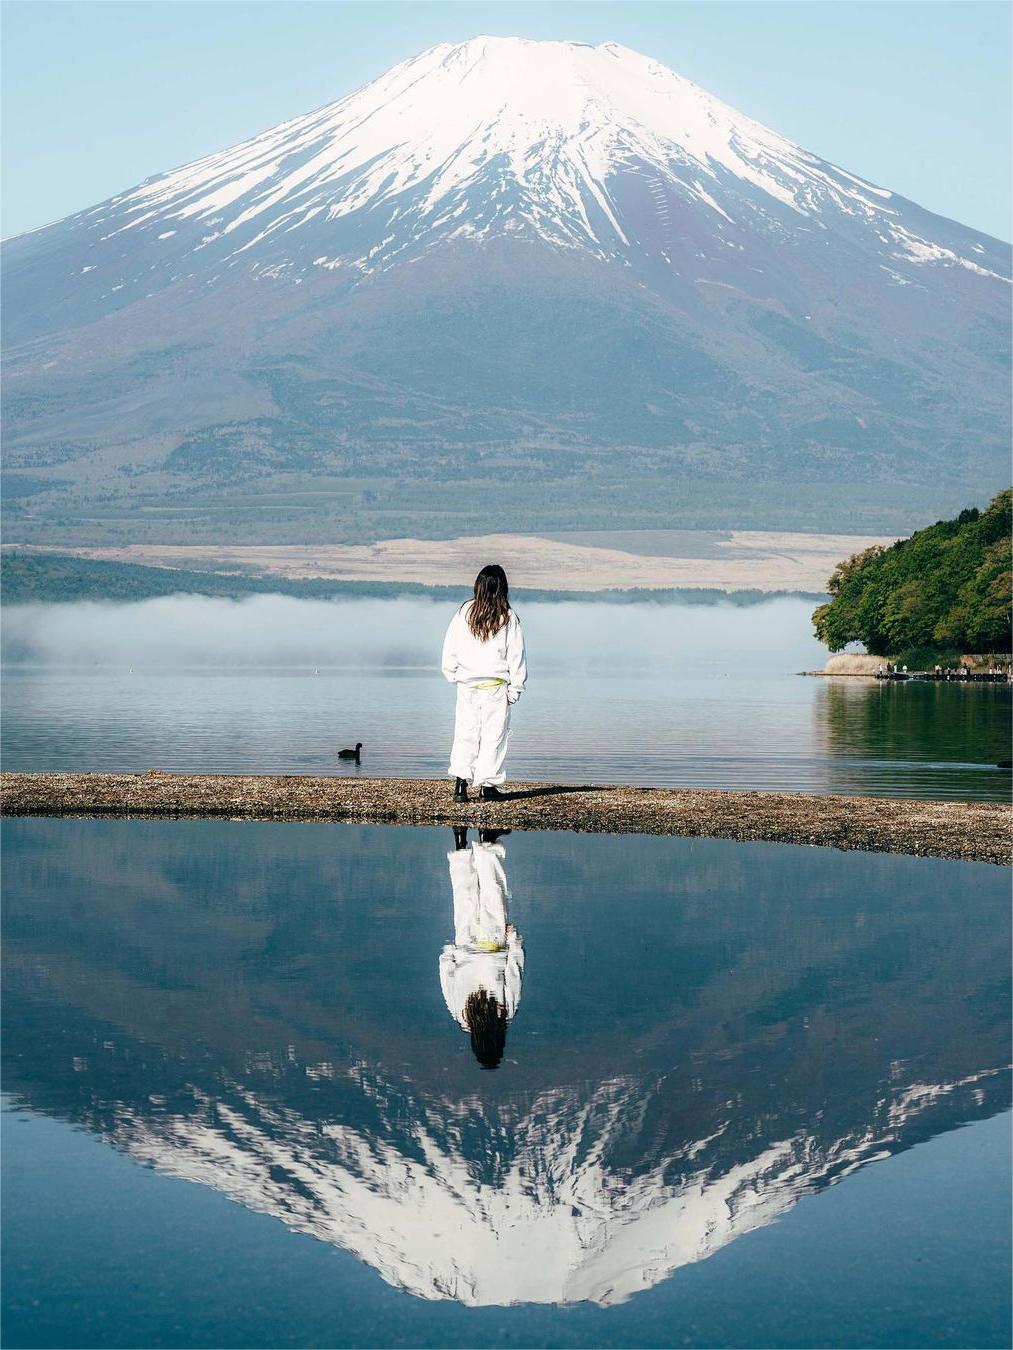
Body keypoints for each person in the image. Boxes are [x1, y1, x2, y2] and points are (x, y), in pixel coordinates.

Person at [441, 564, 527, 802]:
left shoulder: (465, 612)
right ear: (502, 587)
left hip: (467, 685)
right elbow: (516, 656)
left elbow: (451, 647)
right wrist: (515, 689)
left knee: (465, 734)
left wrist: (452, 674)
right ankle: (487, 786)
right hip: (495, 687)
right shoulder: (508, 617)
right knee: (494, 737)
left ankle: (461, 784)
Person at [439, 827, 524, 1070]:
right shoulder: (461, 1016)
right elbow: (448, 980)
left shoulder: (504, 1014)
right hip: (464, 944)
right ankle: (460, 842)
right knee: (464, 894)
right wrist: (449, 952)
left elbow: (514, 973)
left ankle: (487, 843)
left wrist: (514, 940)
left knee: (492, 891)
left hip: (493, 943)